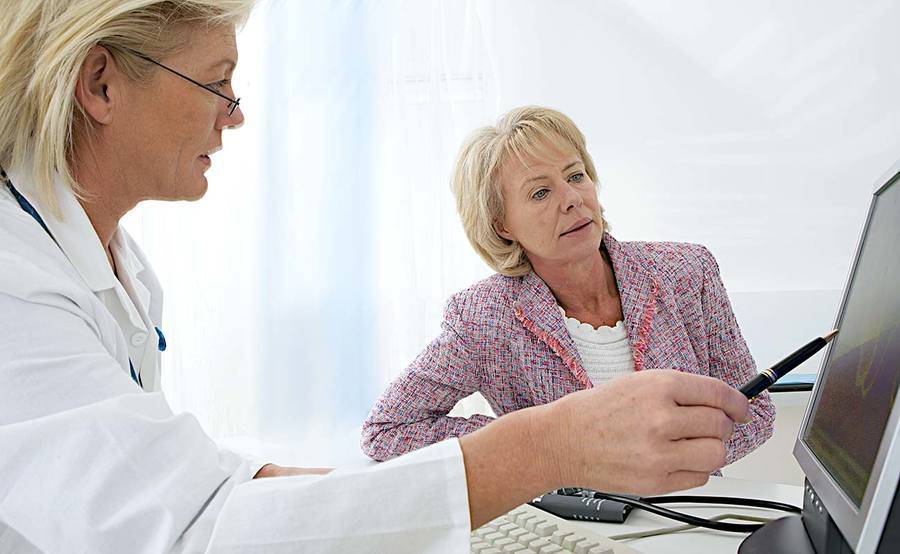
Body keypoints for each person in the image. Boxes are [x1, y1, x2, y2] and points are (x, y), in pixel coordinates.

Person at [0, 2, 751, 552]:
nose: (234, 116)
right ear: (101, 86)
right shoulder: (15, 278)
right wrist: (546, 445)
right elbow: (191, 531)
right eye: (217, 81)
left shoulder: (115, 265)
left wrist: (313, 488)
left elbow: (161, 474)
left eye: (576, 175)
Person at [362, 106, 775, 467]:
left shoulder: (685, 271)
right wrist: (537, 446)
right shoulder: (483, 317)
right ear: (502, 225)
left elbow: (754, 411)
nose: (572, 198)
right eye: (540, 192)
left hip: (691, 514)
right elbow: (386, 430)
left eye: (575, 176)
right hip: (571, 532)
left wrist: (675, 455)